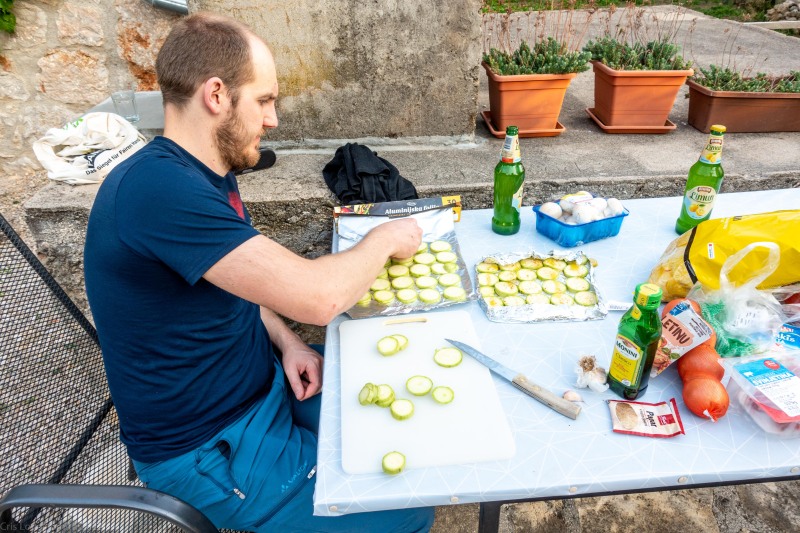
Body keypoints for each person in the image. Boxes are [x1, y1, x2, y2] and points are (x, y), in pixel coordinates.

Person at [83, 12, 434, 533]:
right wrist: (385, 238)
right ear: (218, 95)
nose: (272, 119)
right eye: (265, 100)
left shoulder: (205, 171)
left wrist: (289, 344)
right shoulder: (158, 190)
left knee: (407, 441)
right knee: (409, 510)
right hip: (211, 449)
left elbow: (240, 283)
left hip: (264, 387)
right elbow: (319, 298)